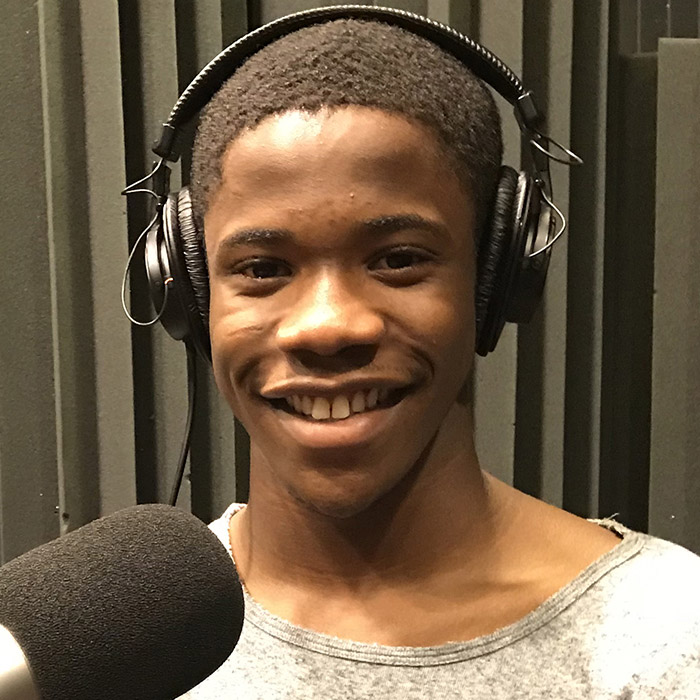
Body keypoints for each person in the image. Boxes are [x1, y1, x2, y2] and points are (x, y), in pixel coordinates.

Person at [177, 16, 700, 699]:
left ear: (496, 277)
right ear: (188, 290)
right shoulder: (118, 645)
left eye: (399, 260)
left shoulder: (665, 640)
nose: (326, 326)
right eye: (262, 268)